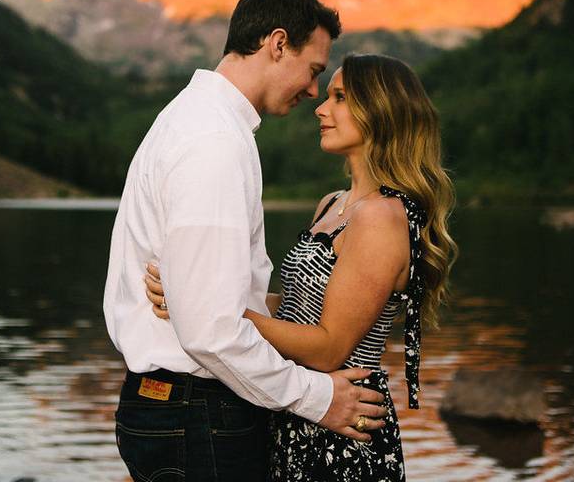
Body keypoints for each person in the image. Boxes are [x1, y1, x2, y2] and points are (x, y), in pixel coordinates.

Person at [103, 0, 389, 482]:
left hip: (178, 409)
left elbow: (210, 310)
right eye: (313, 70)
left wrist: (202, 301)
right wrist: (318, 398)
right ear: (278, 44)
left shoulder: (191, 120)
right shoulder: (215, 140)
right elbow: (211, 330)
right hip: (198, 413)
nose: (312, 92)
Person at [146, 53, 458, 480]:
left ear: (382, 112)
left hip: (344, 426)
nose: (321, 108)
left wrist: (215, 314)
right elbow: (297, 308)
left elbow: (330, 347)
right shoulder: (334, 203)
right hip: (299, 409)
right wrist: (194, 290)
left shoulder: (382, 218)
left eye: (341, 97)